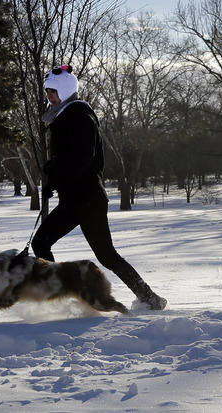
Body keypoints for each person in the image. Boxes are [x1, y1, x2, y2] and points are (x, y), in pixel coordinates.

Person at [31, 65, 167, 310]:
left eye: (53, 91)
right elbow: (68, 159)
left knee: (106, 255)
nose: (49, 96)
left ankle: (149, 298)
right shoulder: (64, 116)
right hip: (74, 198)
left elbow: (83, 157)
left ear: (65, 90)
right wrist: (53, 178)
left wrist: (56, 175)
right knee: (41, 243)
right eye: (48, 92)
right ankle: (55, 299)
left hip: (87, 199)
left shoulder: (78, 115)